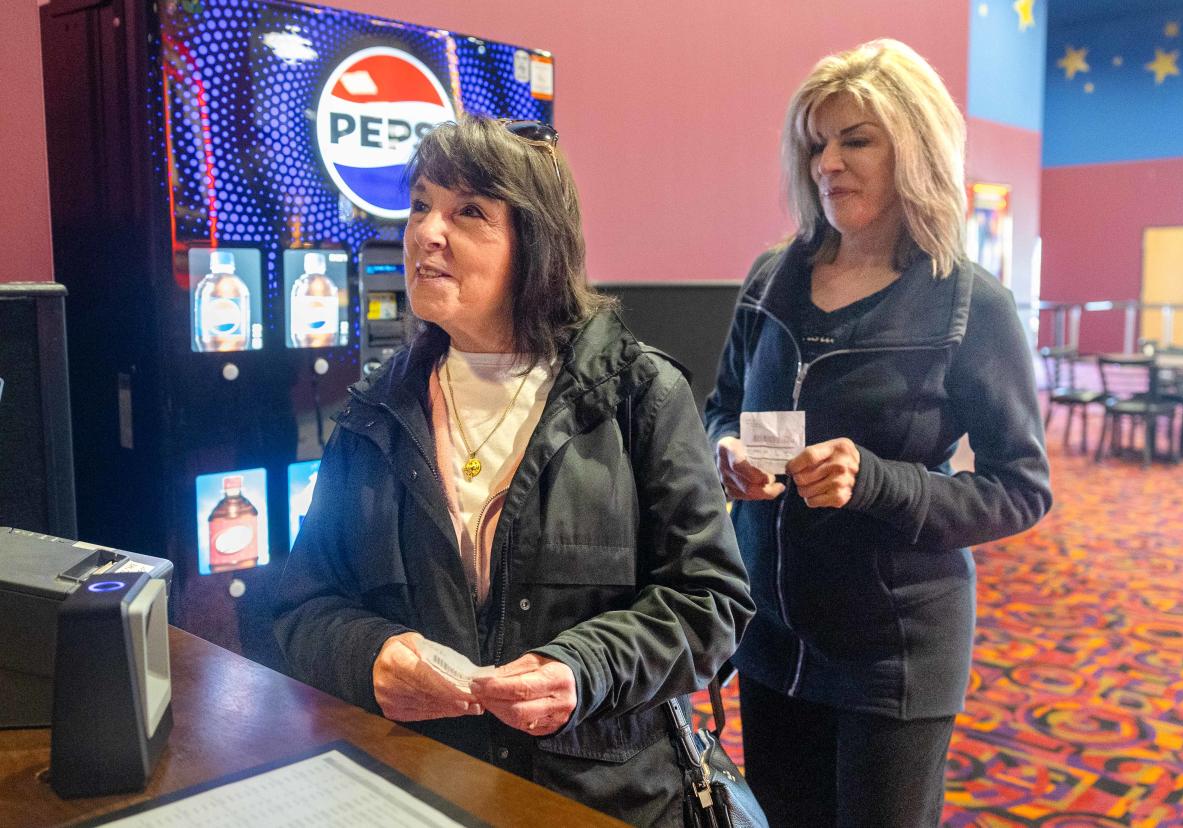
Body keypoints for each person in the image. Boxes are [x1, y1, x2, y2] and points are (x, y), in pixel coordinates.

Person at [274, 115, 754, 827]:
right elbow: (297, 606)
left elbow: (711, 602)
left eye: (469, 211)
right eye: (419, 206)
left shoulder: (641, 395)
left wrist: (583, 669)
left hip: (604, 803)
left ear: (536, 243)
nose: (426, 233)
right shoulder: (374, 411)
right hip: (420, 793)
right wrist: (368, 655)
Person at [704, 40, 1052, 827]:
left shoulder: (969, 304)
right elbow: (723, 405)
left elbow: (1021, 489)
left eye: (855, 139)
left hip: (892, 655)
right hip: (769, 637)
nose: (828, 161)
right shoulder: (772, 279)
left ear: (916, 146)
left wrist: (879, 480)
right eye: (816, 142)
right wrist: (727, 450)